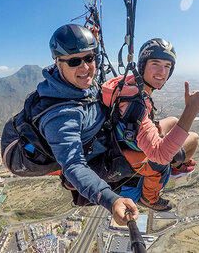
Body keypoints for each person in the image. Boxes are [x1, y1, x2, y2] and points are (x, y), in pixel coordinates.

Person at [37, 23, 138, 225]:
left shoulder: (78, 83)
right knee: (147, 157)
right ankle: (149, 195)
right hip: (97, 161)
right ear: (58, 63)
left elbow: (94, 66)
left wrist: (94, 40)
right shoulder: (61, 115)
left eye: (89, 58)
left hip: (105, 141)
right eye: (74, 61)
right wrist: (111, 201)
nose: (85, 67)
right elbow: (74, 165)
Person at [102, 38, 199, 211]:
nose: (162, 72)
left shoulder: (130, 83)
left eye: (167, 66)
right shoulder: (135, 104)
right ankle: (150, 197)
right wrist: (191, 110)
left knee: (173, 121)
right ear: (143, 66)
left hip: (121, 138)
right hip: (124, 154)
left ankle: (175, 164)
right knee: (193, 139)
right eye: (155, 64)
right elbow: (159, 154)